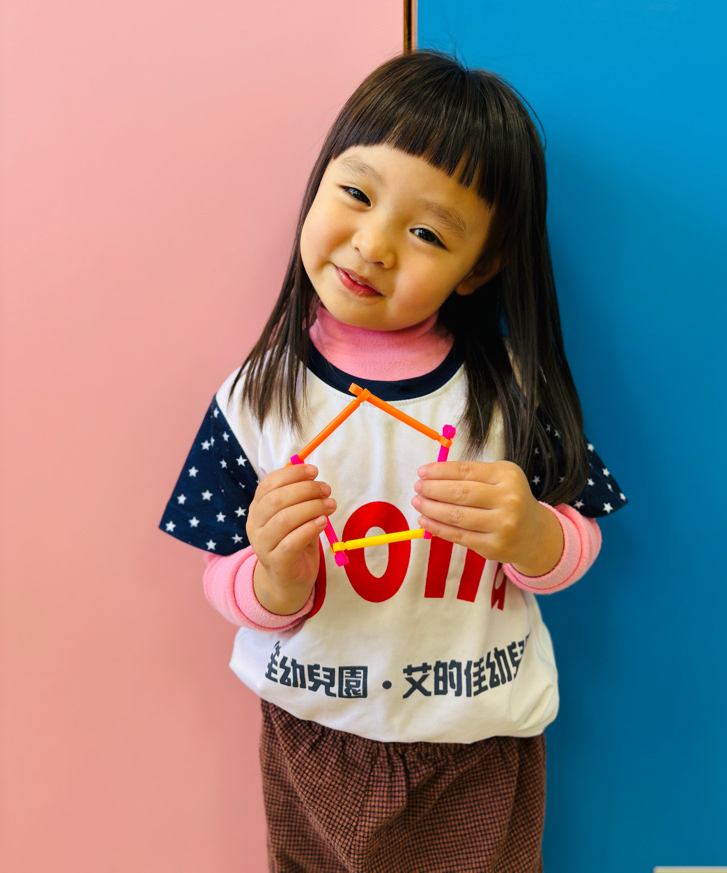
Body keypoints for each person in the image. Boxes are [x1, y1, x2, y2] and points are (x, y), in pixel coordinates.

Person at [160, 50, 626, 873]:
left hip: (475, 745)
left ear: (480, 266)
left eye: (426, 233)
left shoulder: (509, 392)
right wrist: (274, 578)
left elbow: (580, 531)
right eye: (356, 194)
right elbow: (221, 574)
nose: (372, 245)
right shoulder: (257, 395)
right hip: (309, 734)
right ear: (319, 183)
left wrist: (533, 537)